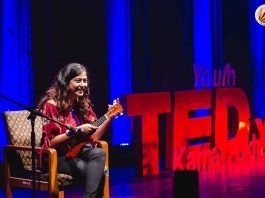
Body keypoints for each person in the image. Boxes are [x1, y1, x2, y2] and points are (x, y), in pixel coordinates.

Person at [38, 62, 113, 198]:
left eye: (85, 81)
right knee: (98, 172)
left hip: (77, 152)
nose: (83, 84)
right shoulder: (51, 105)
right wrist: (75, 131)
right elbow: (50, 143)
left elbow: (94, 137)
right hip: (56, 156)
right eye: (78, 80)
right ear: (66, 82)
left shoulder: (82, 103)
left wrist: (109, 117)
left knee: (99, 153)